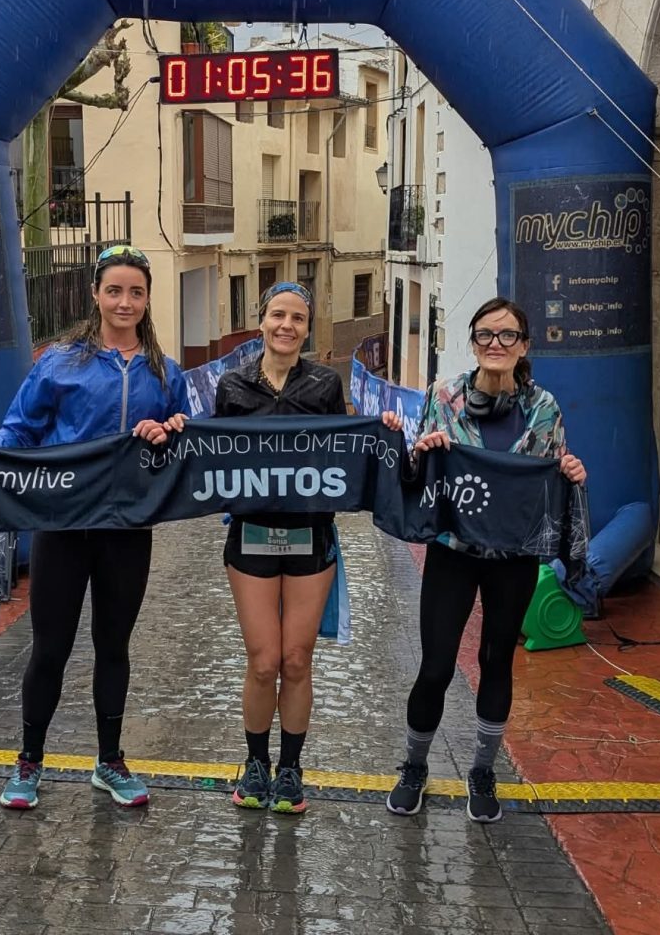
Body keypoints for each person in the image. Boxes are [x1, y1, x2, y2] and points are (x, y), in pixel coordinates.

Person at [0, 246, 189, 810]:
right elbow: (19, 430)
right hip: (61, 524)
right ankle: (28, 763)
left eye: (135, 292)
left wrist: (173, 429)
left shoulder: (163, 371)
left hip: (126, 530)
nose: (124, 301)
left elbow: (185, 442)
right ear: (96, 294)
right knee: (50, 648)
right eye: (114, 290)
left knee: (114, 647)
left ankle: (109, 762)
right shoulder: (60, 361)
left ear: (148, 299)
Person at [387, 296, 586, 824]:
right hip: (453, 551)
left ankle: (482, 770)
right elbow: (415, 473)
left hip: (513, 557)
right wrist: (421, 451)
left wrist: (569, 474)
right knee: (435, 666)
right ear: (472, 342)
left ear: (524, 345)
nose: (495, 345)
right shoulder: (444, 396)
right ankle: (414, 765)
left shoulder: (544, 408)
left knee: (498, 662)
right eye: (484, 335)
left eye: (507, 336)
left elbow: (550, 473)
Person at [215, 280, 400, 814]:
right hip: (249, 537)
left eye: (297, 318)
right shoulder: (232, 386)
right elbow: (211, 452)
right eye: (278, 315)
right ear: (262, 319)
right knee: (263, 661)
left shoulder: (323, 384)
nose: (286, 326)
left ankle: (291, 769)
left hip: (310, 537)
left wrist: (381, 428)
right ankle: (255, 765)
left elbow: (347, 451)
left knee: (296, 660)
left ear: (307, 327)